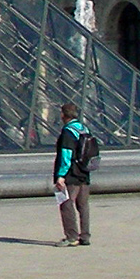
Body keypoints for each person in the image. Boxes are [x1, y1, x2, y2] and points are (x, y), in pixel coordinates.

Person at [53, 103, 95, 245]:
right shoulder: (84, 129)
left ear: (63, 115)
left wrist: (61, 176)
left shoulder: (67, 132)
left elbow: (66, 155)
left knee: (66, 203)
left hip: (71, 174)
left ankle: (71, 237)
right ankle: (85, 236)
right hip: (84, 171)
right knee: (83, 205)